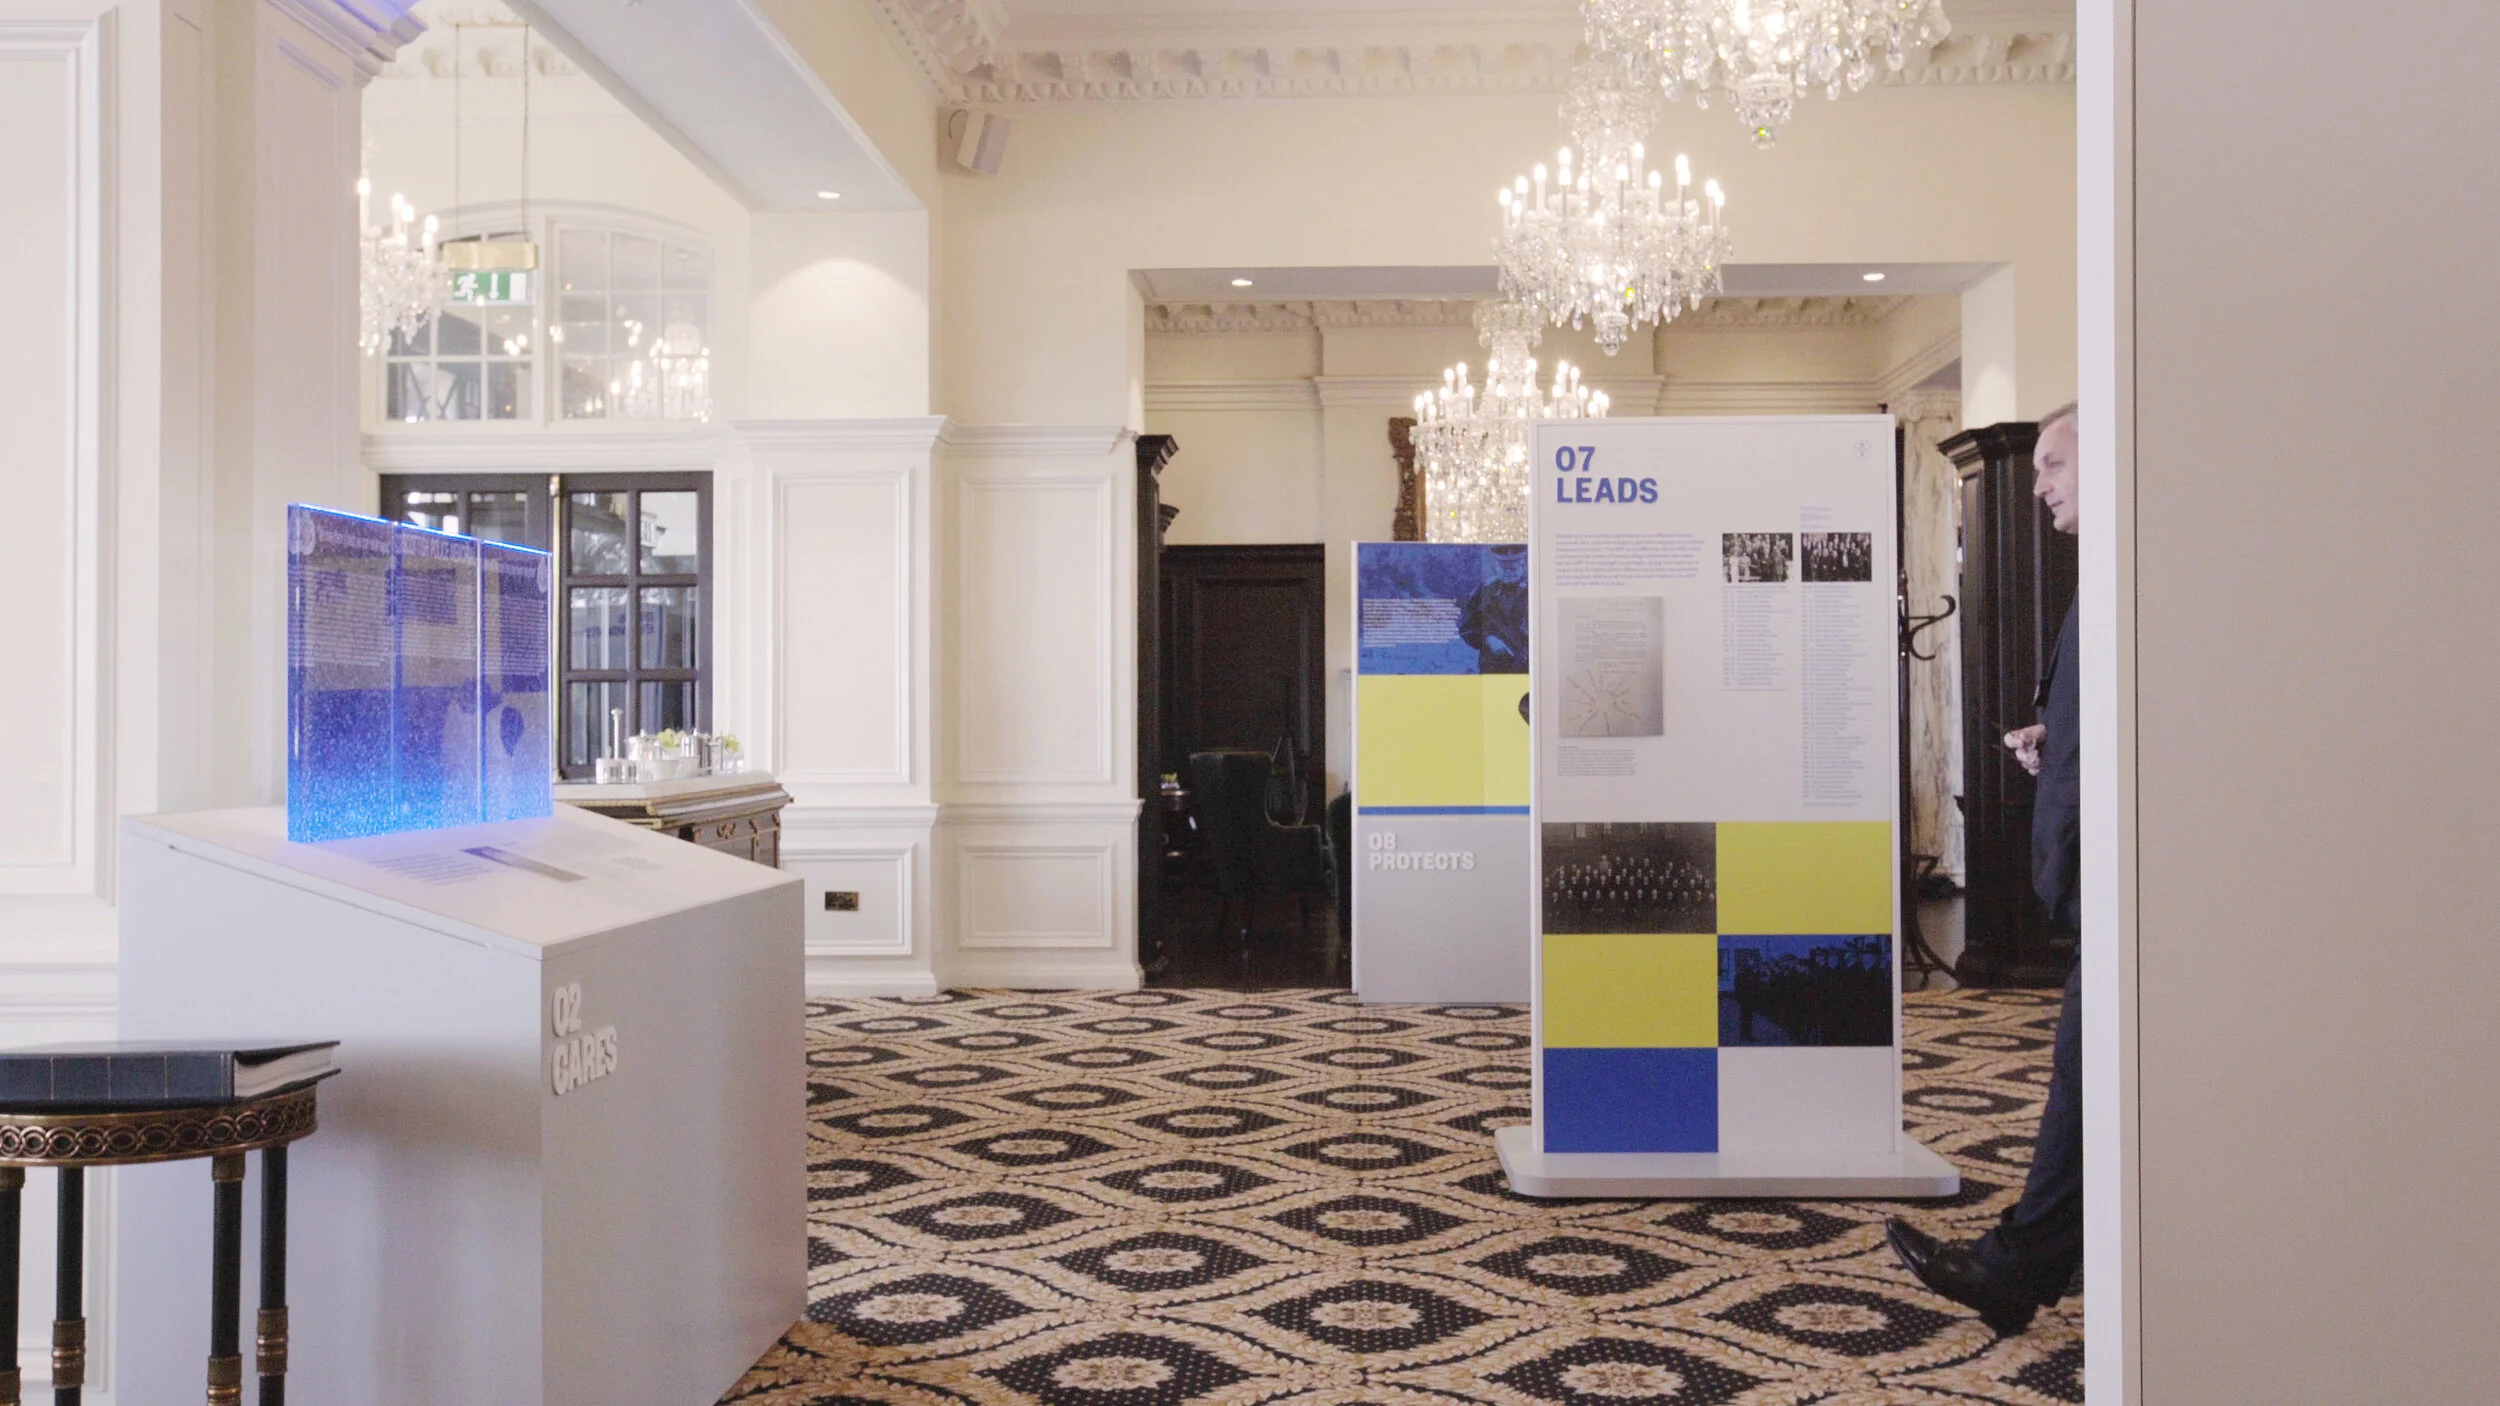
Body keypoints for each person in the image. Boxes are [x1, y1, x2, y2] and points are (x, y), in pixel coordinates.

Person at [1886, 401, 2083, 1337]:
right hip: (2096, 886)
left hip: (2132, 891)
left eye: (2052, 463)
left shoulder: (2142, 565)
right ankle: (2026, 1263)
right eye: (2034, 466)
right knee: (2086, 1084)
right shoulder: (2105, 569)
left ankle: (2017, 1267)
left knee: (2086, 1085)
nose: (2038, 483)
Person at [1459, 544, 1529, 673]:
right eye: (1503, 569)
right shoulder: (1485, 590)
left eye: (1513, 569)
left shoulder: (1535, 590)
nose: (1508, 573)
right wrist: (1487, 639)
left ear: (1523, 566)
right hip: (1493, 667)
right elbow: (1466, 626)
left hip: (1528, 667)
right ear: (1496, 567)